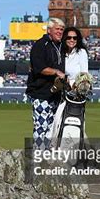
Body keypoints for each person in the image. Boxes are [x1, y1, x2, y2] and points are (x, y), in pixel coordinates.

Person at [26, 17, 66, 150]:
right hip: (40, 93)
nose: (60, 32)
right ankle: (38, 156)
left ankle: (48, 155)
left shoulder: (61, 45)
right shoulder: (40, 45)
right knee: (41, 126)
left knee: (53, 128)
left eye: (62, 29)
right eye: (57, 29)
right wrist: (56, 72)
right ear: (49, 30)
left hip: (56, 94)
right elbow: (40, 68)